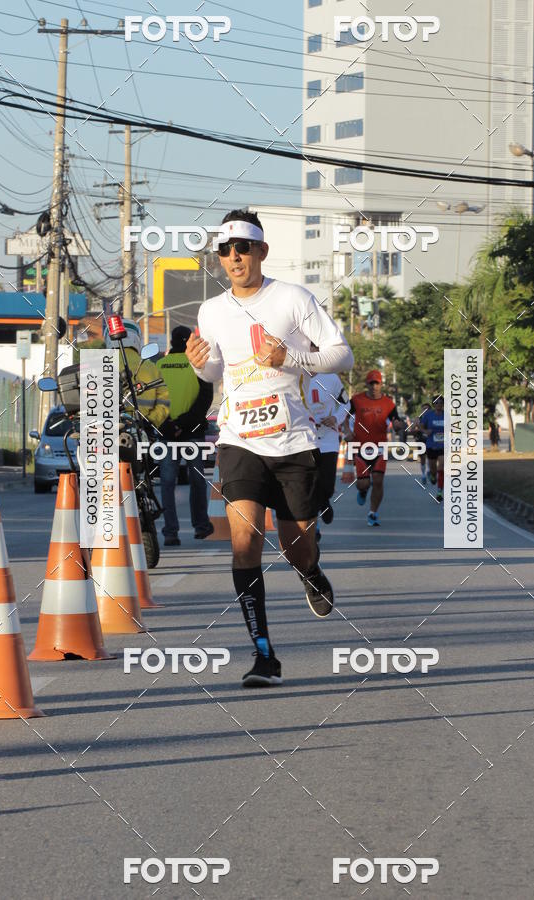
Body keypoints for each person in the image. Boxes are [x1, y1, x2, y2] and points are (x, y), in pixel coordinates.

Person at [185, 208, 353, 687]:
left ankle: (310, 572)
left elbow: (342, 355)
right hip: (239, 439)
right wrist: (198, 365)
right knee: (244, 541)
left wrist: (291, 356)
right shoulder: (211, 311)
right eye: (225, 250)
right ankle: (263, 655)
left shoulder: (293, 298)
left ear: (261, 250)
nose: (234, 257)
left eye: (242, 248)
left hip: (294, 440)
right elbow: (215, 372)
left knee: (297, 546)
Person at [156, 325, 214, 546]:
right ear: (190, 341)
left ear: (171, 341)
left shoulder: (160, 365)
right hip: (193, 433)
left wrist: (168, 425)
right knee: (197, 480)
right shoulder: (199, 365)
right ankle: (201, 526)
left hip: (167, 433)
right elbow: (204, 399)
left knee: (167, 483)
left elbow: (152, 399)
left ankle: (171, 532)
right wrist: (185, 423)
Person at [345, 370, 404, 527]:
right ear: (367, 384)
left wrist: (398, 425)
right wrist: (347, 431)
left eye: (376, 383)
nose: (374, 386)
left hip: (380, 447)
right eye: (371, 383)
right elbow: (343, 415)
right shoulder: (356, 400)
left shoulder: (388, 403)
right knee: (363, 484)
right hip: (361, 447)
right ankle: (363, 491)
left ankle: (373, 513)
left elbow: (396, 421)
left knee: (378, 480)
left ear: (381, 384)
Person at [104, 317, 170, 429]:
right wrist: (150, 422)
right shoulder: (151, 367)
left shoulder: (100, 365)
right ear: (136, 338)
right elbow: (164, 401)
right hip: (141, 430)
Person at [307, 370, 350, 537]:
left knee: (326, 485)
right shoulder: (294, 376)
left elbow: (346, 404)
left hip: (328, 440)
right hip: (304, 440)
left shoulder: (331, 378)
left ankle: (324, 500)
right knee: (309, 486)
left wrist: (335, 418)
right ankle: (314, 528)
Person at [420, 395, 445, 501]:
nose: (439, 404)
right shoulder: (428, 415)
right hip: (431, 445)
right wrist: (426, 431)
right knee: (434, 470)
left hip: (443, 446)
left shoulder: (447, 415)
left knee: (441, 468)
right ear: (433, 404)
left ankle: (439, 492)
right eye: (436, 403)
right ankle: (433, 476)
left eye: (441, 402)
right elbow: (421, 426)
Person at [411, 402, 431, 484]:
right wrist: (417, 429)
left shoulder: (432, 418)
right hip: (421, 439)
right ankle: (423, 474)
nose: (425, 410)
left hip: (430, 440)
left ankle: (429, 470)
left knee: (430, 456)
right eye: (424, 409)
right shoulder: (418, 418)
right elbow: (412, 429)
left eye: (427, 409)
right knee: (422, 458)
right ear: (422, 410)